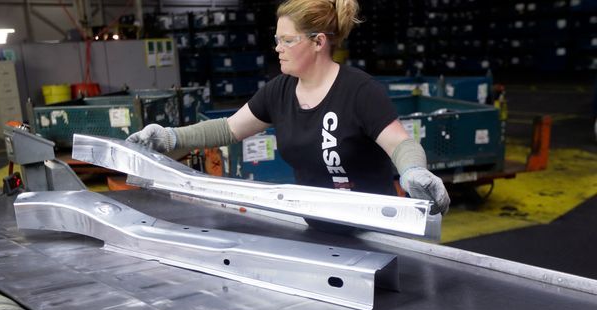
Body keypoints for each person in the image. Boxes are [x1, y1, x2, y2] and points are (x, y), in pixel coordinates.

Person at [127, 0, 450, 231]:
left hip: (374, 230)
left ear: (318, 42)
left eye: (287, 40)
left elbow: (400, 144)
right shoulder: (279, 91)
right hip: (317, 227)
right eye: (276, 39)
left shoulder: (359, 91)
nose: (278, 48)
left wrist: (412, 172)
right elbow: (227, 129)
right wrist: (169, 137)